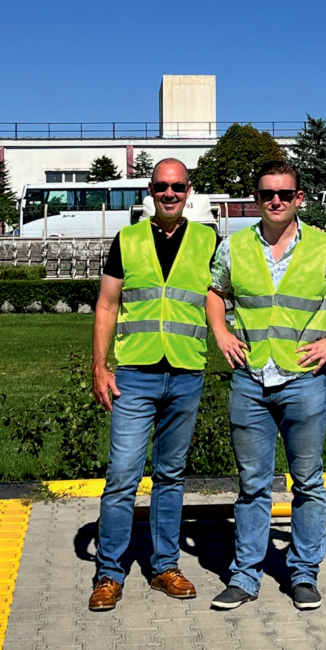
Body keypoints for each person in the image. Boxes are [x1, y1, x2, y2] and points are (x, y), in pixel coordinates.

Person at [207, 160, 326, 611]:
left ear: (299, 198)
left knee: (307, 482)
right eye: (267, 194)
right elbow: (214, 290)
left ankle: (303, 574)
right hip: (250, 381)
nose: (276, 201)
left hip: (303, 382)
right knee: (252, 485)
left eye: (285, 194)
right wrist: (221, 332)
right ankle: (245, 577)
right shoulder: (234, 246)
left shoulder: (325, 245)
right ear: (257, 198)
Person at [89, 157, 216, 611]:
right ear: (150, 190)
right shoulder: (127, 240)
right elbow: (106, 305)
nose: (169, 194)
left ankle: (164, 566)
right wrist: (99, 366)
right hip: (136, 375)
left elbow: (223, 299)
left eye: (177, 187)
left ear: (188, 191)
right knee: (122, 475)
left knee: (170, 475)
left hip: (185, 371)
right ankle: (108, 574)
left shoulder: (208, 240)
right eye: (161, 186)